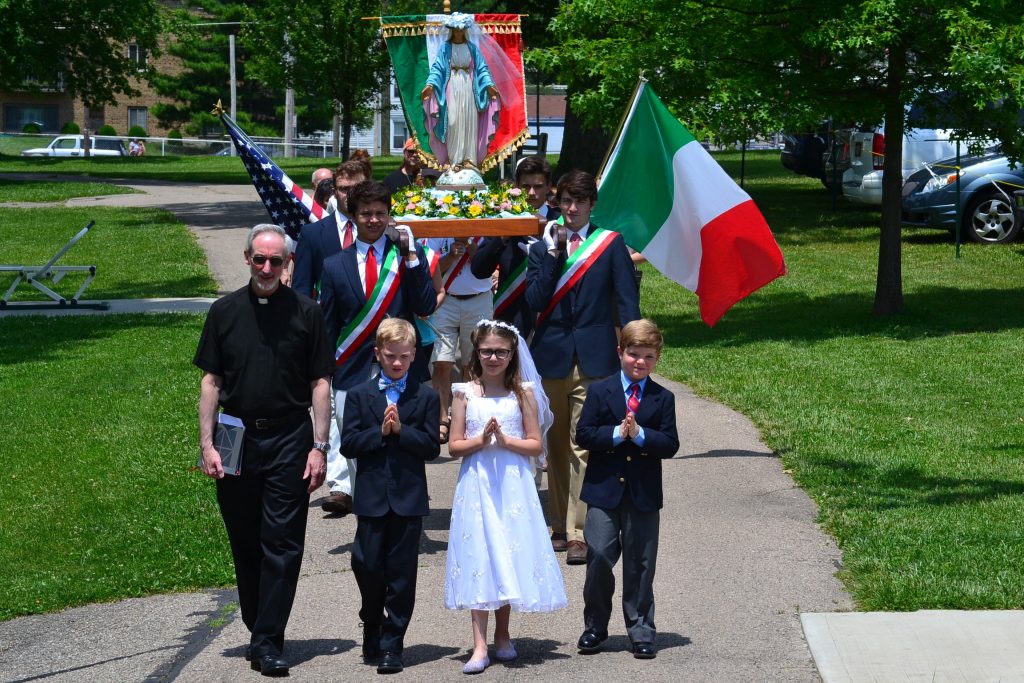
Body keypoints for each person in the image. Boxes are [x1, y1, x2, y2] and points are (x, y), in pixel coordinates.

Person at [194, 223, 334, 677]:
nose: (268, 268)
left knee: (282, 542)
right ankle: (259, 623)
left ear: (288, 263)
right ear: (247, 258)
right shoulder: (224, 311)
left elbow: (320, 384)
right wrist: (207, 444)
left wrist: (319, 446)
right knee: (244, 538)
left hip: (290, 437)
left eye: (277, 260)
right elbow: (211, 382)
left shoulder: (308, 313)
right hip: (235, 436)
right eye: (260, 259)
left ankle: (269, 639)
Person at [525, 170, 641, 564]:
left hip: (595, 358)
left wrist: (634, 355)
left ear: (592, 205)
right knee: (554, 444)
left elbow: (627, 303)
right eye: (565, 201)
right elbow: (536, 300)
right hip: (551, 355)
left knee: (582, 444)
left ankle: (578, 532)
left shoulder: (609, 245)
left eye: (580, 202)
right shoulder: (542, 246)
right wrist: (556, 255)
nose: (571, 209)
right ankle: (557, 523)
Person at [445, 319, 567, 674]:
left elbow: (535, 443)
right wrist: (481, 441)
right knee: (481, 554)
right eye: (487, 351)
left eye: (501, 351)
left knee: (506, 551)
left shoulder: (523, 393)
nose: (494, 357)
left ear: (512, 354)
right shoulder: (464, 392)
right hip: (478, 481)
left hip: (512, 482)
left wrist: (505, 441)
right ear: (476, 353)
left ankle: (503, 634)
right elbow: (454, 446)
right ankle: (479, 644)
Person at [319, 180, 437, 518]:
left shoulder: (405, 258)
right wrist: (324, 373)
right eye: (366, 213)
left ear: (390, 216)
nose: (374, 220)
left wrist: (412, 256)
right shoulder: (334, 265)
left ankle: (403, 512)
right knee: (357, 443)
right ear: (353, 216)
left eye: (381, 214)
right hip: (353, 368)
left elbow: (426, 304)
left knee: (404, 441)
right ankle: (368, 515)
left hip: (399, 366)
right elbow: (329, 325)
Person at [574, 319, 680, 660]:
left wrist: (641, 436)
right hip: (604, 491)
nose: (640, 362)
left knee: (640, 562)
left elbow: (670, 443)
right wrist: (618, 434)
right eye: (634, 354)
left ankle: (641, 629)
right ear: (620, 352)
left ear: (657, 359)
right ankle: (595, 625)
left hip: (643, 494)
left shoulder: (663, 398)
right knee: (600, 556)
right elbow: (584, 434)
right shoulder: (600, 391)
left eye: (648, 357)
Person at [340, 318, 441, 675]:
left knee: (401, 574)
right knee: (365, 563)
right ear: (377, 354)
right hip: (371, 495)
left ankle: (392, 644)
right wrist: (380, 434)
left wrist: (401, 432)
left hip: (408, 497)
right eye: (389, 356)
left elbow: (430, 446)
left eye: (403, 356)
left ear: (414, 355)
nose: (396, 363)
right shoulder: (358, 395)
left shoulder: (426, 396)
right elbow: (348, 443)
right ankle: (372, 618)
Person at [470, 155, 559, 339]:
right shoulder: (504, 220)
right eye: (526, 186)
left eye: (538, 186)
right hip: (510, 317)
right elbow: (479, 270)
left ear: (549, 186)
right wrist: (503, 235)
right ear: (517, 187)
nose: (532, 192)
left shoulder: (560, 222)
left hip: (550, 319)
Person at [422, 235, 493, 444]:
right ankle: (441, 420)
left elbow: (489, 265)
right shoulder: (439, 226)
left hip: (479, 300)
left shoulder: (484, 226)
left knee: (473, 364)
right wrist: (450, 256)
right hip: (446, 301)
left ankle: (469, 420)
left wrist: (474, 252)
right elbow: (430, 266)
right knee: (442, 362)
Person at [420, 12, 499, 169]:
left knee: (469, 120)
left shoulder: (472, 48)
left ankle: (469, 159)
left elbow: (482, 68)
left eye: (461, 30)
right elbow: (438, 68)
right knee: (454, 121)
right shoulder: (446, 48)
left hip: (469, 88)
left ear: (465, 30)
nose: (458, 33)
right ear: (452, 30)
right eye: (455, 30)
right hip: (452, 87)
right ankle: (453, 159)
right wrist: (430, 85)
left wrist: (489, 85)